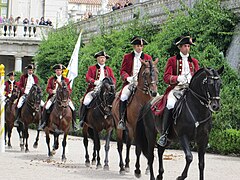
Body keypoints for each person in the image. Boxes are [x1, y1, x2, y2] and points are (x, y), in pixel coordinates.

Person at [157, 35, 199, 147]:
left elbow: (198, 76)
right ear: (180, 47)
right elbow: (166, 77)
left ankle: (200, 134)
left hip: (190, 90)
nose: (187, 48)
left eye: (188, 46)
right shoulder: (172, 60)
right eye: (185, 46)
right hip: (177, 88)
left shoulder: (194, 62)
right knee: (170, 104)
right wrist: (177, 78)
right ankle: (165, 134)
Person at [117, 36, 152, 130]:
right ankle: (122, 119)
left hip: (144, 84)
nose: (139, 47)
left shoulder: (148, 58)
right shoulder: (127, 57)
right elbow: (123, 71)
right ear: (134, 47)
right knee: (123, 96)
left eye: (141, 46)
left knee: (155, 98)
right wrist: (127, 78)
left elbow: (151, 71)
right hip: (131, 83)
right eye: (137, 45)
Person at [79, 51, 116, 127]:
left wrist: (110, 84)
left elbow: (113, 79)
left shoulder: (109, 69)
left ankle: (114, 120)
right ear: (97, 59)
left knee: (113, 101)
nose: (102, 59)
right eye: (101, 58)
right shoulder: (92, 68)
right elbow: (87, 77)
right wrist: (94, 81)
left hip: (106, 90)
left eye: (104, 58)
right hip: (94, 89)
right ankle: (82, 120)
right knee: (86, 101)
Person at [38, 64, 78, 131]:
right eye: (57, 70)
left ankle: (74, 124)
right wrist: (52, 91)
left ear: (62, 71)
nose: (59, 71)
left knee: (73, 108)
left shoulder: (66, 79)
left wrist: (67, 93)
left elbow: (69, 89)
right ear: (55, 71)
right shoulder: (51, 79)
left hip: (64, 97)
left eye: (60, 70)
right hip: (54, 96)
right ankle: (43, 123)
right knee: (46, 107)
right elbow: (48, 89)